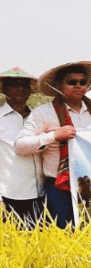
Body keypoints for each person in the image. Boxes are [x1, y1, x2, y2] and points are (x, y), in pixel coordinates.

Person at [16, 61, 91, 228]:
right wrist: (54, 136)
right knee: (64, 232)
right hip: (59, 186)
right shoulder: (44, 113)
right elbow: (20, 145)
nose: (78, 86)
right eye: (72, 82)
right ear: (58, 85)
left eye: (82, 82)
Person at [0, 67, 44, 227]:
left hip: (40, 195)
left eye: (25, 85)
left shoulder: (39, 118)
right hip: (10, 196)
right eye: (14, 85)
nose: (21, 89)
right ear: (4, 89)